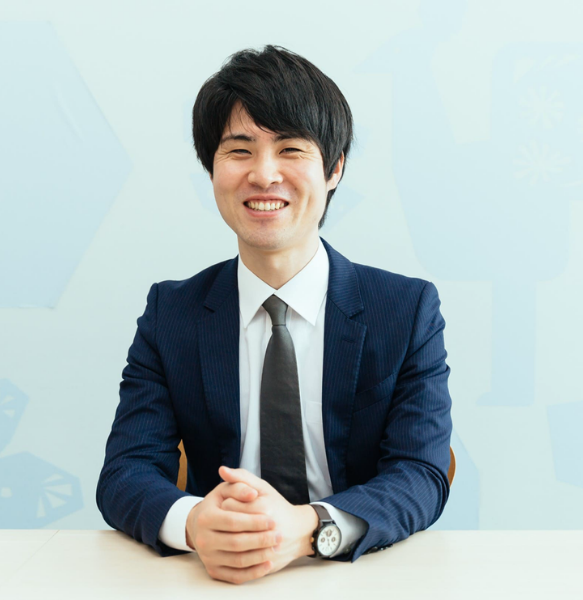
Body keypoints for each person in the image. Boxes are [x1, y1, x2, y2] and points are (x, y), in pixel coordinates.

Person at [96, 45, 453, 585]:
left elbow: (420, 473)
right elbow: (127, 471)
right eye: (239, 150)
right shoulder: (172, 313)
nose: (264, 175)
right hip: (217, 579)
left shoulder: (405, 310)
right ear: (211, 168)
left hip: (360, 577)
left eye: (290, 149)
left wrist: (309, 528)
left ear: (334, 168)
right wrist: (194, 524)